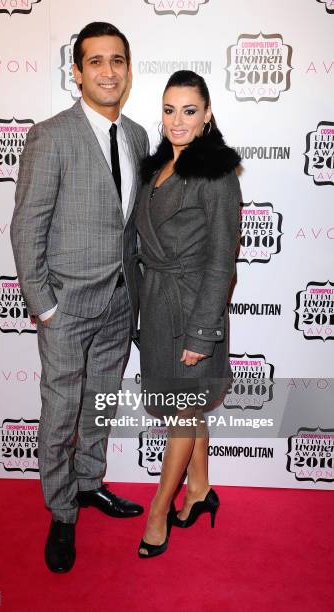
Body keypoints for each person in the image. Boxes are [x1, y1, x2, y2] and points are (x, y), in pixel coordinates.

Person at [10, 22, 149, 573]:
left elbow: (132, 224)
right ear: (77, 72)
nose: (109, 71)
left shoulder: (137, 136)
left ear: (128, 70)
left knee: (100, 401)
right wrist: (44, 305)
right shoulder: (51, 135)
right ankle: (62, 512)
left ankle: (90, 484)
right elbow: (27, 228)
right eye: (96, 62)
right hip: (65, 305)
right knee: (61, 410)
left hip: (120, 301)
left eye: (118, 61)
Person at [133, 70, 241, 558]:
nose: (178, 120)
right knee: (188, 403)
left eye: (189, 110)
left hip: (193, 305)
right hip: (157, 304)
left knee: (183, 407)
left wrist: (203, 332)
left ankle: (160, 508)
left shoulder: (215, 174)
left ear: (208, 114)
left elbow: (222, 260)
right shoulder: (155, 167)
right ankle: (199, 487)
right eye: (170, 109)